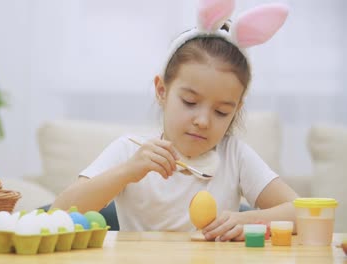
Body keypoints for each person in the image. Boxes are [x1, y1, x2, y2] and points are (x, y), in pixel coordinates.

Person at [52, 0, 298, 241]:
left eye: (221, 111)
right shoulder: (130, 150)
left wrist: (248, 220)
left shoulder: (234, 156)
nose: (202, 121)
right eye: (190, 102)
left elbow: (305, 213)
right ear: (162, 90)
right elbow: (58, 214)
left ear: (236, 110)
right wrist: (127, 172)